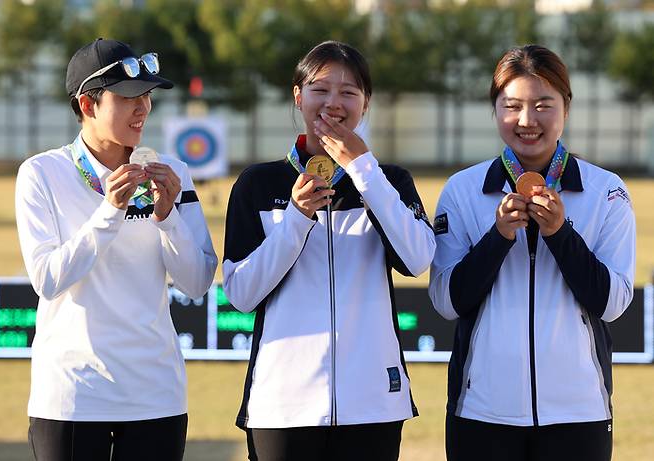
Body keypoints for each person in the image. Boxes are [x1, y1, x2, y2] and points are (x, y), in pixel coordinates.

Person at [223, 40, 436, 461]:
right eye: (320, 89)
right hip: (282, 406)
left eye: (349, 92)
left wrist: (365, 172)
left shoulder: (388, 180)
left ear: (366, 103)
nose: (333, 103)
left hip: (373, 403)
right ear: (298, 95)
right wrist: (298, 218)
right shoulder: (258, 183)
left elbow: (417, 259)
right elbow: (242, 293)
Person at [429, 44, 635, 461]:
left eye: (543, 105)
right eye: (512, 105)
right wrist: (498, 237)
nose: (527, 120)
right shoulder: (463, 190)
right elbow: (446, 301)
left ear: (566, 107)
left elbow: (612, 303)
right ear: (495, 109)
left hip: (579, 413)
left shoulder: (606, 191)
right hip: (482, 410)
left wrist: (560, 233)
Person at [15, 38, 217, 461]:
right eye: (128, 97)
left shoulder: (173, 174)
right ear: (88, 105)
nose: (142, 108)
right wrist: (110, 211)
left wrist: (168, 217)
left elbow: (197, 282)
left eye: (147, 96)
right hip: (72, 395)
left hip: (155, 395)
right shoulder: (41, 174)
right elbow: (48, 280)